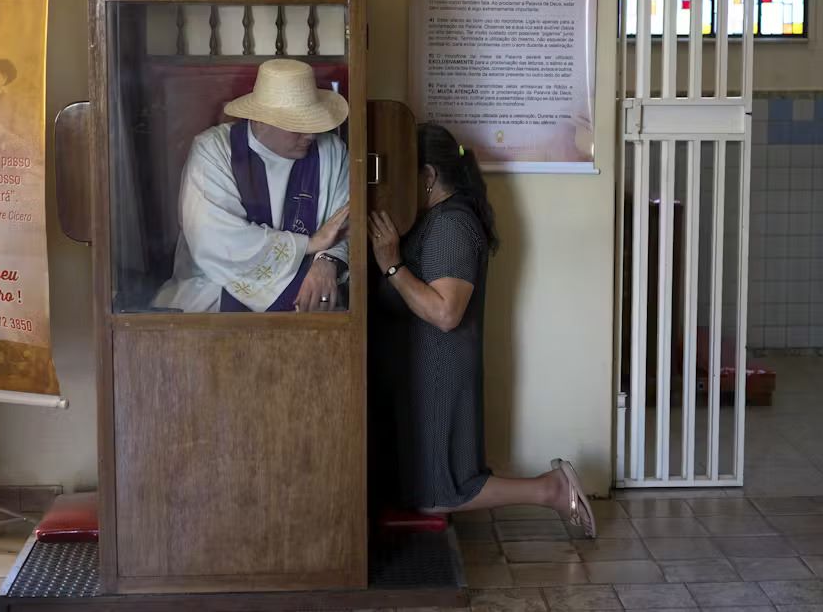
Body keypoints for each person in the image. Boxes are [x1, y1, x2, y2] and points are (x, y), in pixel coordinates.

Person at [368, 124, 596, 537]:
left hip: (440, 371)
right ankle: (551, 488)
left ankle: (552, 489)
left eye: (405, 174)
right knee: (429, 485)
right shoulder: (434, 219)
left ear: (429, 176)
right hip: (424, 370)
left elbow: (445, 312)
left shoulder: (452, 225)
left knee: (442, 491)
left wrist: (391, 264)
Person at [153, 59, 350, 313]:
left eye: (312, 124)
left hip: (312, 285)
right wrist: (310, 244)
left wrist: (326, 261)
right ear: (261, 120)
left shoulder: (331, 151)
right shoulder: (214, 151)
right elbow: (214, 239)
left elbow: (345, 225)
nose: (310, 135)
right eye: (298, 126)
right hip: (216, 286)